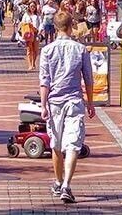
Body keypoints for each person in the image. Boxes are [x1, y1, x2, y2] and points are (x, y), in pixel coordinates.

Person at [39, 12, 96, 204]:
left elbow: (44, 81)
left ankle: (58, 181)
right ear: (71, 26)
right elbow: (88, 79)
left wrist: (43, 104)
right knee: (73, 144)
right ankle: (66, 185)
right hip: (74, 100)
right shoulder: (80, 49)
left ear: (55, 27)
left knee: (56, 143)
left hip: (54, 102)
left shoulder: (47, 51)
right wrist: (90, 102)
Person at [20, 0, 42, 71]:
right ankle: (30, 64)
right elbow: (22, 23)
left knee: (35, 50)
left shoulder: (38, 15)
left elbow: (41, 24)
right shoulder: (26, 15)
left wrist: (40, 31)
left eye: (34, 6)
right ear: (29, 7)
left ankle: (33, 63)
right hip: (29, 34)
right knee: (29, 49)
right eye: (31, 6)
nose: (32, 8)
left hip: (36, 33)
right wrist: (27, 24)